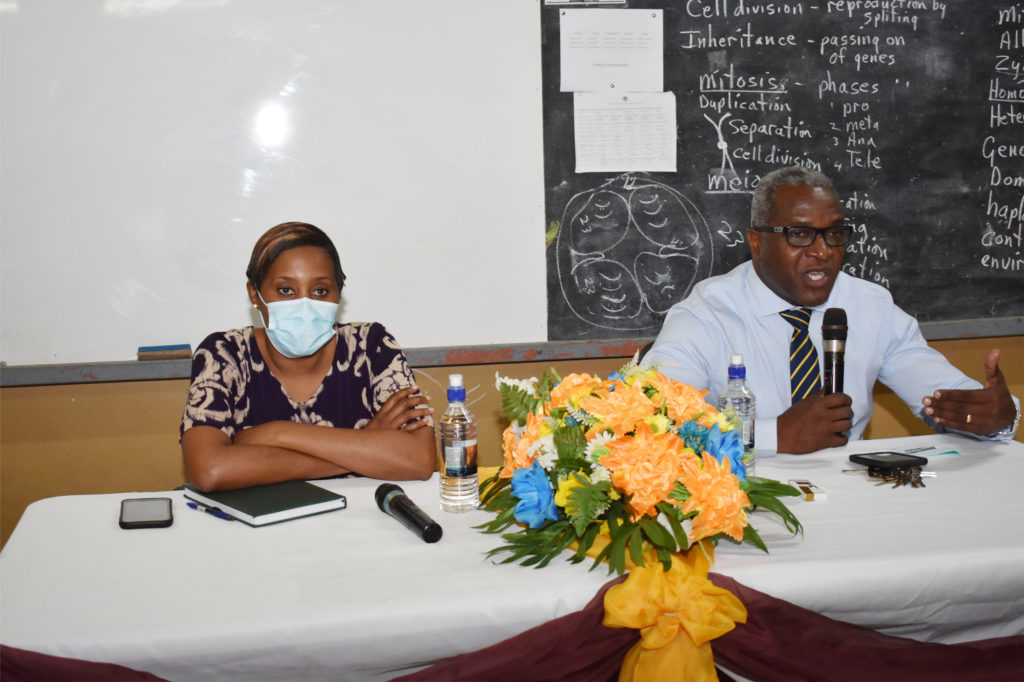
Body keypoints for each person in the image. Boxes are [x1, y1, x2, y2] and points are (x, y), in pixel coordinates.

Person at [644, 166, 1020, 455]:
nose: (823, 251)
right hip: (742, 498)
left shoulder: (870, 306)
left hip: (852, 498)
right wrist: (775, 435)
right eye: (800, 234)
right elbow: (651, 423)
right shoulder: (705, 315)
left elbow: (949, 399)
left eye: (835, 234)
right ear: (757, 243)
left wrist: (994, 416)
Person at [180, 222, 435, 490]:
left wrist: (277, 433)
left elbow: (418, 459)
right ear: (255, 294)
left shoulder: (371, 346)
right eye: (286, 290)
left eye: (320, 291)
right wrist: (365, 443)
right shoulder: (224, 353)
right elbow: (210, 470)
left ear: (338, 295)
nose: (305, 305)